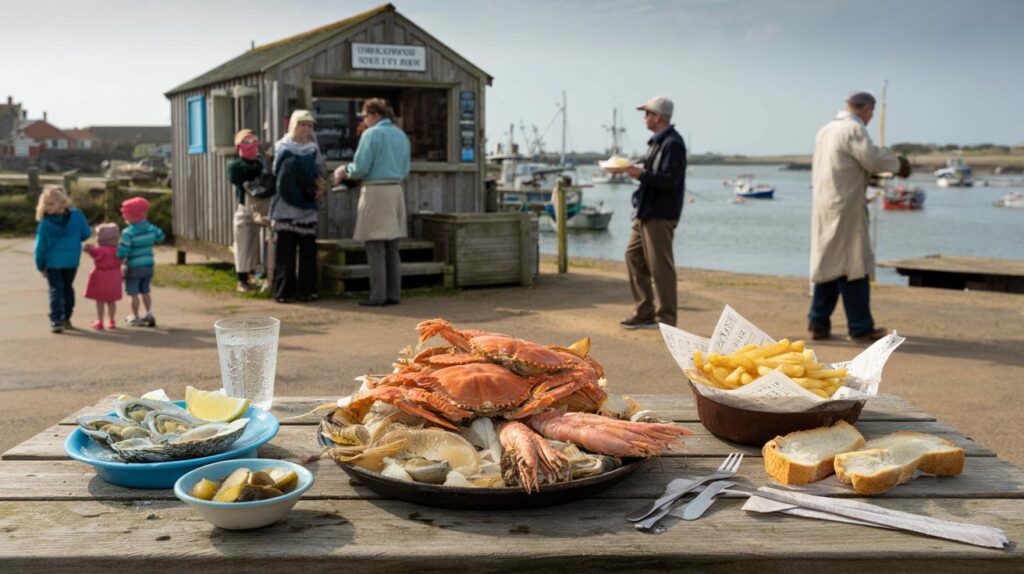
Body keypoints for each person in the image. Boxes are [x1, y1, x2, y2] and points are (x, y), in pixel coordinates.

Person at [808, 91, 911, 342]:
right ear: (868, 109)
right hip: (846, 205)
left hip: (825, 202)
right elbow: (872, 159)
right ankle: (860, 326)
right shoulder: (853, 130)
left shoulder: (826, 130)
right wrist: (899, 164)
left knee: (828, 263)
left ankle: (818, 322)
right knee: (854, 265)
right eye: (872, 113)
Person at [333, 98, 411, 306]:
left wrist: (344, 171)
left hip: (376, 191)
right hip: (396, 190)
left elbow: (360, 168)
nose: (365, 121)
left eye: (365, 116)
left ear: (374, 114)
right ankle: (394, 294)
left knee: (375, 246)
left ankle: (378, 296)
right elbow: (405, 168)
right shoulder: (401, 135)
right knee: (392, 246)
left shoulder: (372, 134)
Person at [619, 96, 688, 329]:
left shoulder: (672, 144)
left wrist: (639, 173)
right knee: (633, 256)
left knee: (661, 267)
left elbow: (671, 180)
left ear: (657, 117)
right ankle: (645, 310)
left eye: (647, 113)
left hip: (660, 214)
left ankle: (667, 318)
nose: (644, 118)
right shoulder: (659, 142)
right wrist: (639, 172)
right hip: (647, 211)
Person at [270, 109, 326, 303]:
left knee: (308, 252)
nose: (306, 129)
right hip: (286, 204)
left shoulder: (313, 148)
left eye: (309, 125)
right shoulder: (282, 145)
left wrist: (319, 185)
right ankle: (284, 291)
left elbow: (320, 170)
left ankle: (306, 290)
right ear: (294, 125)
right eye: (302, 124)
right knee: (285, 252)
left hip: (307, 206)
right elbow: (276, 172)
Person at [33, 185, 92, 333]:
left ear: (62, 203)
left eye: (51, 204)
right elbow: (86, 234)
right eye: (45, 204)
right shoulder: (77, 216)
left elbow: (40, 248)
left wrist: (41, 265)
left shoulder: (45, 224)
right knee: (67, 288)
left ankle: (56, 319)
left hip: (53, 262)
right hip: (71, 261)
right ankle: (66, 317)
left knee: (56, 290)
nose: (47, 207)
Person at [117, 196, 166, 327]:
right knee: (145, 291)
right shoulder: (151, 228)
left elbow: (123, 250)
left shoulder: (128, 232)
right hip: (148, 265)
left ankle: (135, 316)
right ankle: (148, 314)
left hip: (133, 266)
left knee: (133, 293)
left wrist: (118, 257)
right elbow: (161, 236)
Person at [226, 129, 264, 292]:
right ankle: (241, 280)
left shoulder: (260, 163)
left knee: (256, 245)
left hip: (259, 207)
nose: (250, 146)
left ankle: (255, 277)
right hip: (244, 207)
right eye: (246, 142)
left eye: (253, 142)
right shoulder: (234, 164)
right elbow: (238, 178)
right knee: (242, 244)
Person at [83, 223, 123, 330]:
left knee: (99, 300)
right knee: (111, 300)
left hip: (100, 275)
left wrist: (87, 249)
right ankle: (112, 320)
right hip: (115, 275)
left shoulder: (99, 250)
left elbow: (90, 251)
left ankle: (100, 321)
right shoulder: (118, 250)